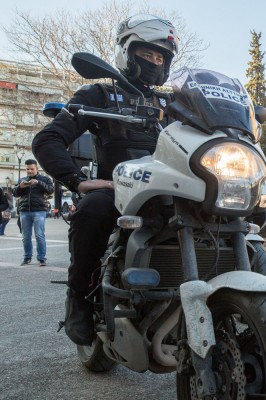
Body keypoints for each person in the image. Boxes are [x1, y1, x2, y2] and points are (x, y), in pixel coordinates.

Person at [32, 14, 178, 346]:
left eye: (161, 57)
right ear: (127, 53)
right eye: (147, 54)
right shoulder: (99, 94)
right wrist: (77, 181)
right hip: (120, 190)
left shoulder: (174, 103)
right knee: (93, 209)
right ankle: (79, 299)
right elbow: (48, 140)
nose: (155, 63)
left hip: (171, 189)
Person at [12, 159, 54, 265]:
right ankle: (27, 257)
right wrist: (19, 187)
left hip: (39, 210)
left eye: (32, 169)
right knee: (26, 236)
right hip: (24, 210)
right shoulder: (22, 179)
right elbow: (15, 194)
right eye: (27, 169)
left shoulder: (44, 179)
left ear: (37, 168)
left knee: (39, 235)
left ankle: (42, 258)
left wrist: (39, 183)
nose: (29, 171)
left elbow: (50, 190)